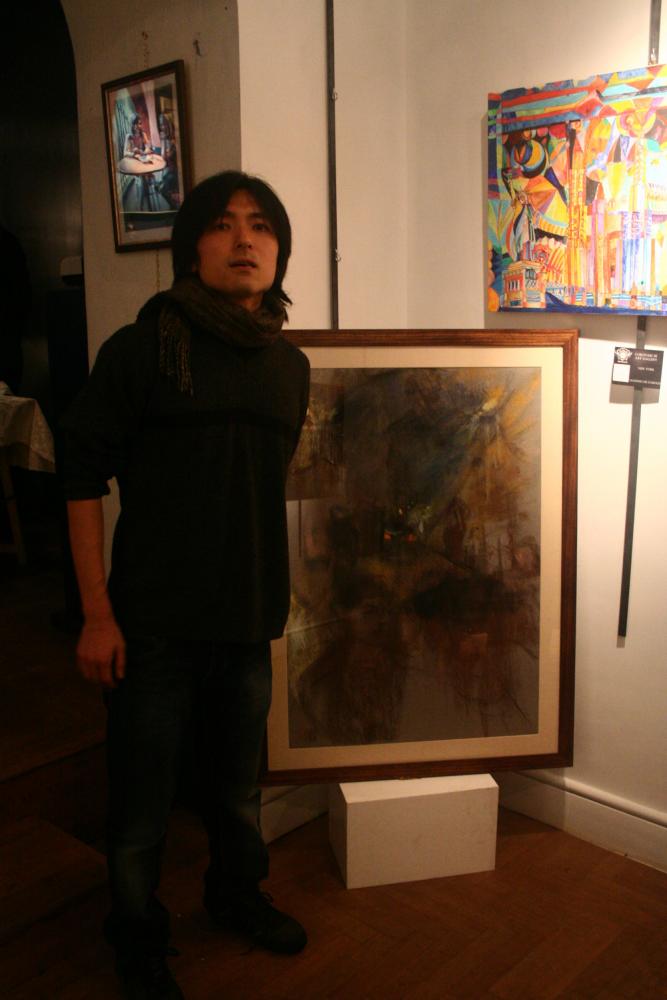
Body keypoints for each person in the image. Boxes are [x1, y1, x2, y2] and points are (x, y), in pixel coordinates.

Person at [62, 171, 310, 1000]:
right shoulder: (143, 350)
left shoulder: (289, 366)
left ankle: (234, 896)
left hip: (246, 621)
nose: (243, 240)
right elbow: (80, 476)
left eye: (261, 226)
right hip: (151, 625)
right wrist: (96, 614)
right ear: (190, 247)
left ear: (279, 251)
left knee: (237, 792)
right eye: (222, 224)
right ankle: (135, 933)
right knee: (141, 804)